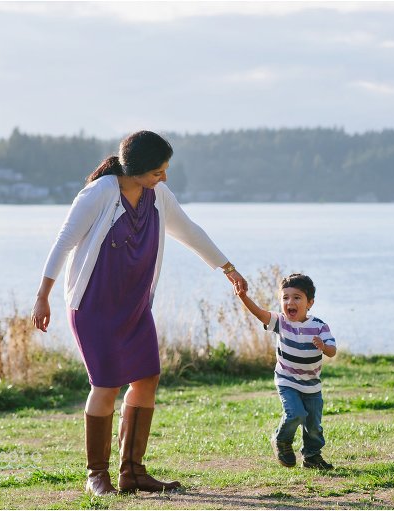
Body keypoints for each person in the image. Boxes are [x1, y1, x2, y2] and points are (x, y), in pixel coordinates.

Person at [31, 130, 247, 496]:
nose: (163, 177)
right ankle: (96, 476)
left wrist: (228, 268)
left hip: (135, 307)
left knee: (147, 379)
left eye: (164, 170)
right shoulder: (99, 194)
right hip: (94, 307)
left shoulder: (158, 195)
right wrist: (43, 296)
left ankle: (132, 471)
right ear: (135, 169)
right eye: (157, 171)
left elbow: (189, 231)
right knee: (106, 385)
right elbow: (63, 242)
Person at [236, 273, 336, 470]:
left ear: (310, 303)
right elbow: (259, 313)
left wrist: (323, 346)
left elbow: (332, 351)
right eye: (285, 297)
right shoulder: (281, 322)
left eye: (297, 297)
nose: (290, 302)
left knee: (313, 426)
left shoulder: (319, 326)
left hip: (312, 385)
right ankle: (281, 441)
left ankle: (312, 456)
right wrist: (243, 297)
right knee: (295, 414)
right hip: (287, 380)